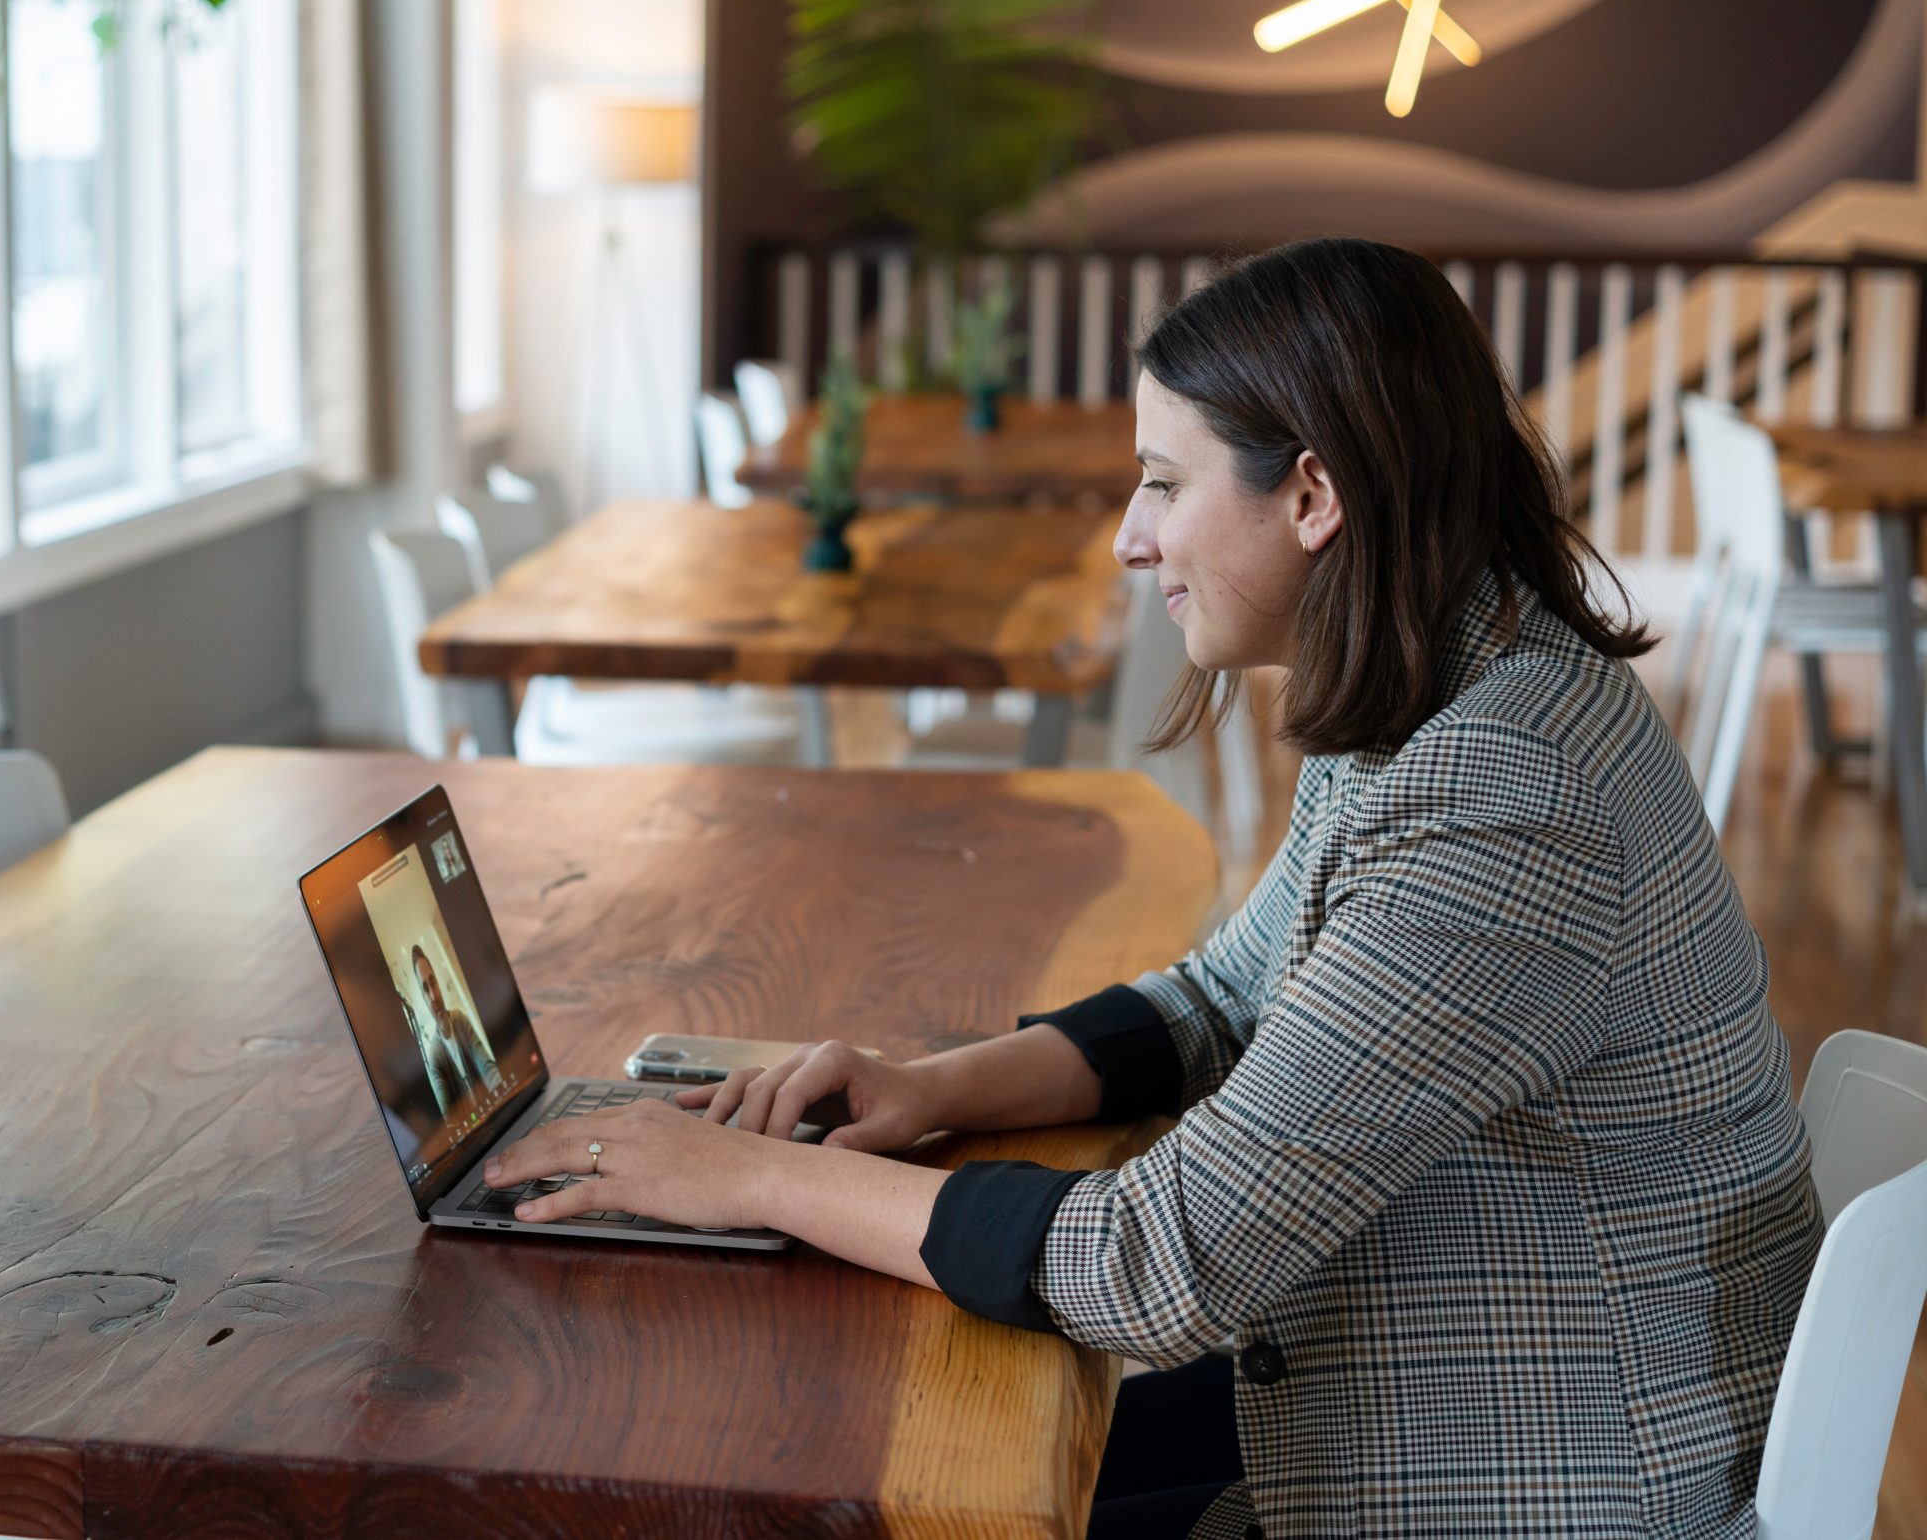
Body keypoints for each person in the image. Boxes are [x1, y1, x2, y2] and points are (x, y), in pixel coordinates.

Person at [481, 238, 1823, 1538]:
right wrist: (932, 1086)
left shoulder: (1510, 790)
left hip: (1550, 1486)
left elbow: (1160, 1265)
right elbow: (1224, 1000)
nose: (1130, 539)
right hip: (1436, 1409)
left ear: (1312, 496)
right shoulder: (1456, 688)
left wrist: (748, 1184)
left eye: (1163, 484)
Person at [406, 942, 499, 1116]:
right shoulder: (434, 1056)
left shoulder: (460, 1020)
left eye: (433, 983)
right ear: (423, 998)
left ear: (439, 984)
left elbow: (488, 1068)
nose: (433, 996)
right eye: (426, 989)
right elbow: (447, 1119)